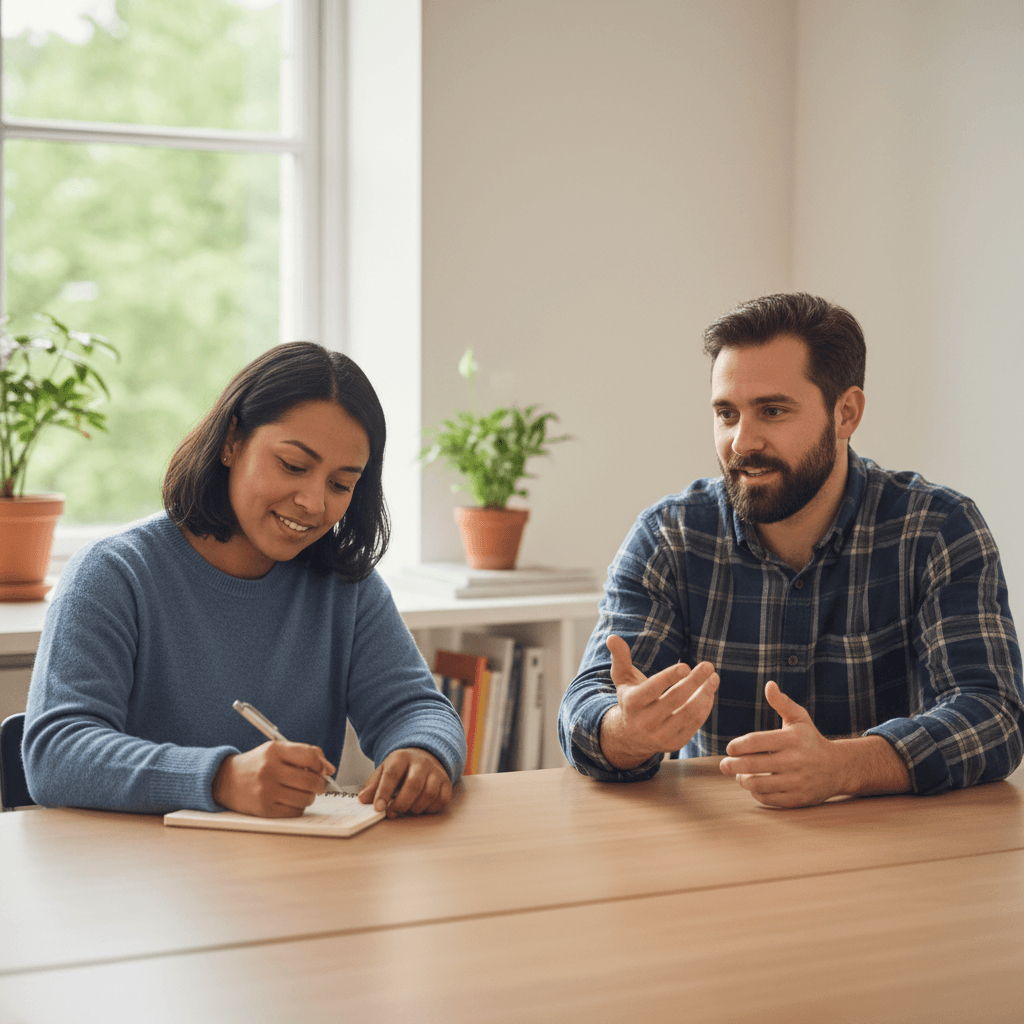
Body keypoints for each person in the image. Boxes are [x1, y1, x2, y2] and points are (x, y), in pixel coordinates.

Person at [559, 293, 1023, 807]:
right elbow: (587, 707)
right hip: (716, 851)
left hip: (889, 854)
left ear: (846, 413)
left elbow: (994, 714)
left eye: (772, 411)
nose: (741, 441)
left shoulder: (937, 529)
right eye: (726, 413)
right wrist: (626, 732)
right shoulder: (670, 537)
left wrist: (846, 767)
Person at [23, 342, 466, 818]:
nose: (314, 503)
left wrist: (422, 751)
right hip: (140, 878)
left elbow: (418, 709)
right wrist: (220, 779)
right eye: (293, 466)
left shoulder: (346, 587)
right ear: (232, 441)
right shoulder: (113, 574)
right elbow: (56, 754)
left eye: (340, 484)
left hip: (291, 874)